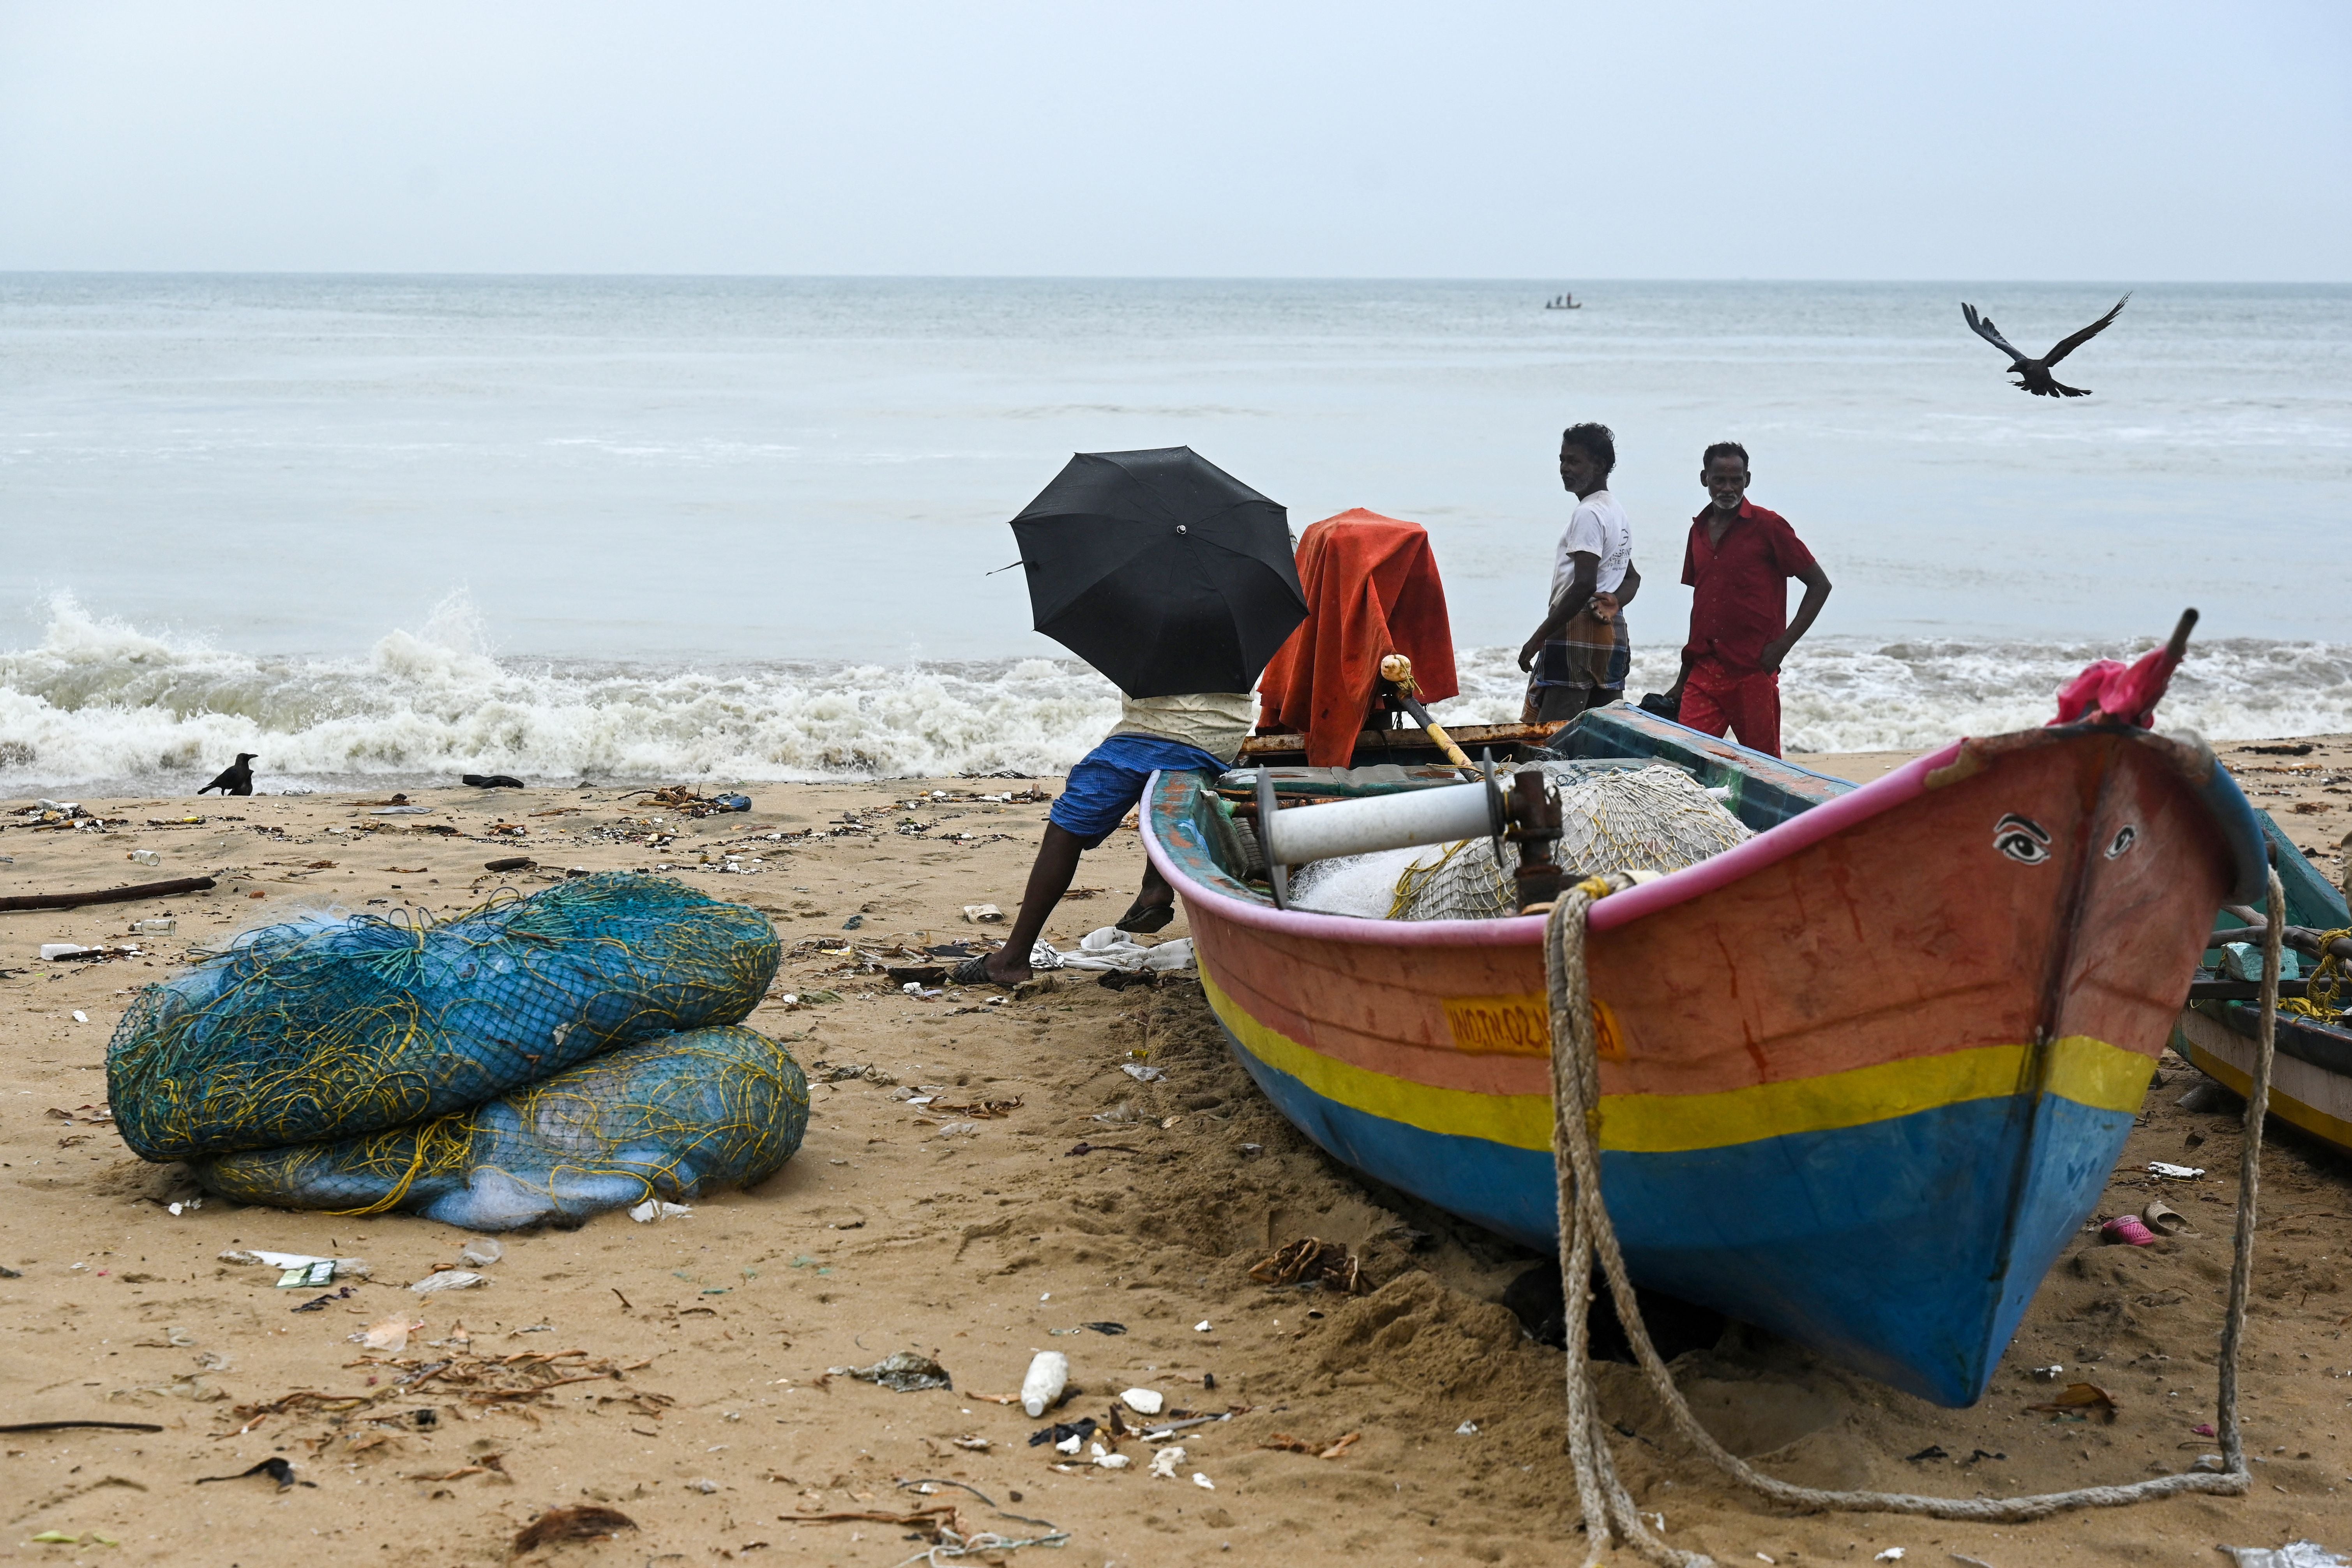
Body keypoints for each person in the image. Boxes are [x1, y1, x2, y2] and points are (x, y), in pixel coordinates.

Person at [960, 691, 1254, 987]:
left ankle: (1012, 959)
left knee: (1069, 821)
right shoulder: (1236, 650)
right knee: (1163, 771)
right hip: (1222, 740)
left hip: (1162, 731)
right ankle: (1155, 885)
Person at [1663, 441, 1831, 758]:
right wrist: (1682, 680)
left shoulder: (1769, 527)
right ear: (1705, 479)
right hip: (1704, 670)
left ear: (1747, 480)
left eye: (1735, 480)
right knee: (1685, 761)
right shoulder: (1698, 531)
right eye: (1719, 480)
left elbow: (1820, 585)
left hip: (1752, 672)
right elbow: (1701, 608)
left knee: (1766, 772)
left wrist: (1781, 647)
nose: (1727, 488)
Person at [1520, 422, 1640, 722]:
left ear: (1600, 465)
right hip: (1610, 635)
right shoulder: (1615, 511)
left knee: (1553, 733)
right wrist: (1615, 601)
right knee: (1602, 731)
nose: (1564, 468)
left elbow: (1584, 584)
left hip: (1577, 630)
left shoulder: (1588, 514)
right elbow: (1632, 578)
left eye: (1574, 461)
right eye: (1562, 460)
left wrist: (1539, 637)